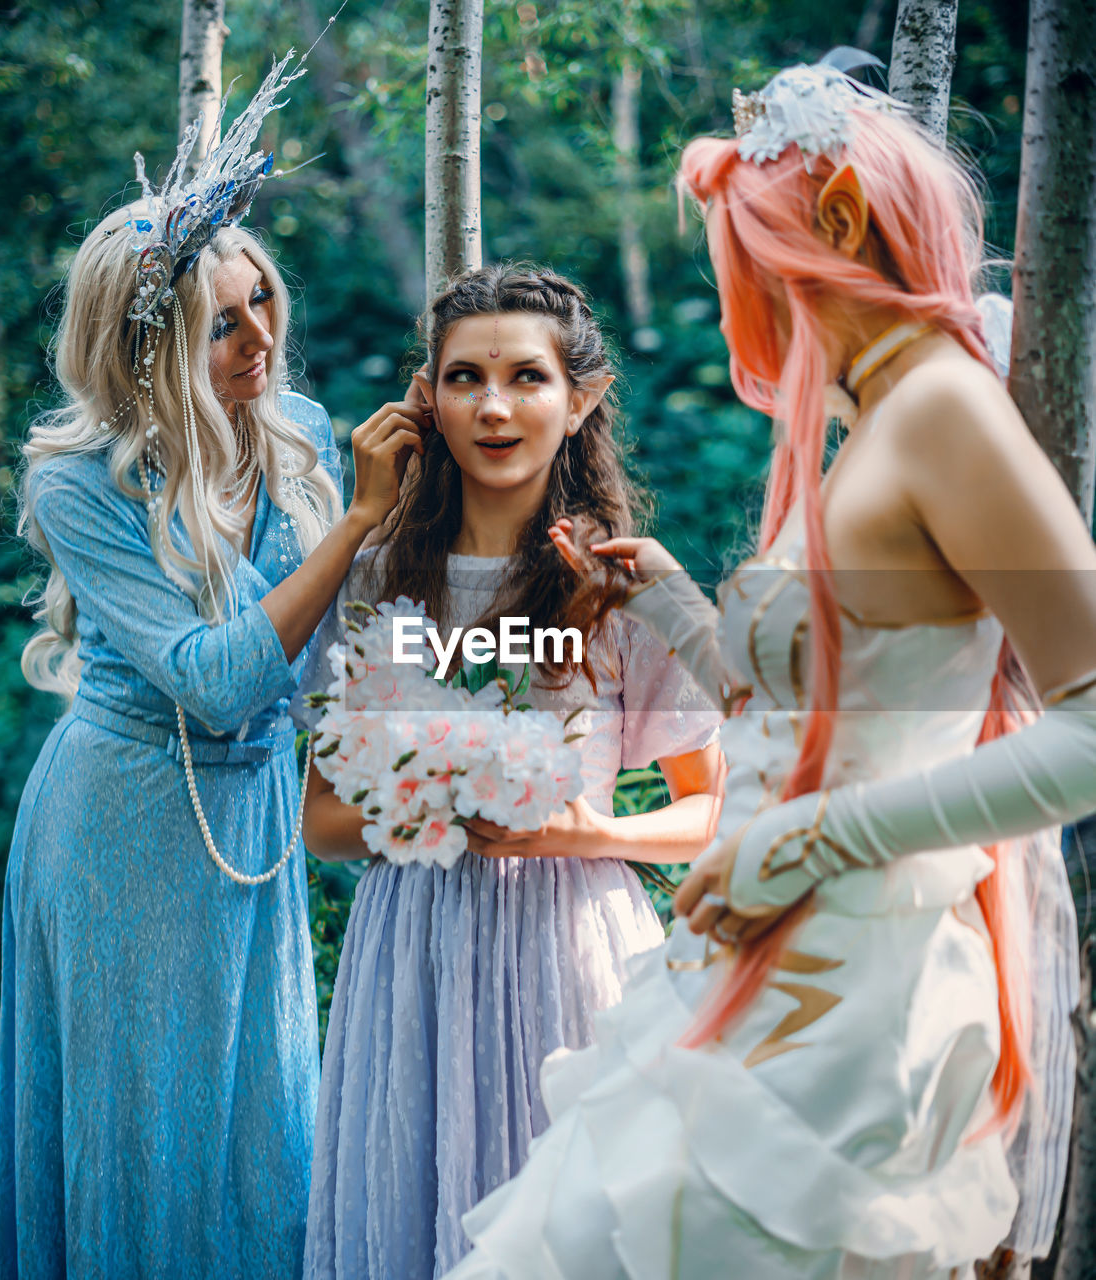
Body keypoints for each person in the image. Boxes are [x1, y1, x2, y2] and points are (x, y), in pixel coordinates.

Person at [444, 59, 1090, 1279]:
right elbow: (825, 704)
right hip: (753, 959)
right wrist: (682, 608)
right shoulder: (879, 427)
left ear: (840, 224)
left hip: (850, 1003)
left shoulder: (944, 409)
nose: (749, 312)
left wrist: (813, 840)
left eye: (754, 267)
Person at [0, 55, 426, 1279]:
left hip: (253, 817)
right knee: (143, 1133)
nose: (260, 337)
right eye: (221, 322)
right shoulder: (77, 482)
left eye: (264, 301)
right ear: (149, 349)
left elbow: (326, 661)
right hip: (124, 824)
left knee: (262, 1126)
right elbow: (223, 677)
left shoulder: (293, 440)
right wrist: (352, 527)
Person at [296, 264, 725, 1279]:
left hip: (573, 950)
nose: (494, 405)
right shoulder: (374, 576)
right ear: (426, 402)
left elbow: (711, 811)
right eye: (463, 378)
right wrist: (424, 802)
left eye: (527, 377)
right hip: (414, 954)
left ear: (579, 401)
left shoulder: (623, 581)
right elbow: (320, 819)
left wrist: (584, 830)